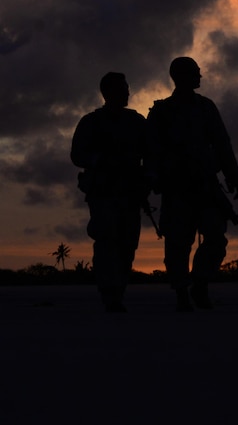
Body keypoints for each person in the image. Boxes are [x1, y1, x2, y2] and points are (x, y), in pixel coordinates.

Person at [146, 57, 238, 312]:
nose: (200, 76)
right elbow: (152, 151)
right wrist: (153, 178)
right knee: (178, 242)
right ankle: (181, 291)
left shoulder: (206, 107)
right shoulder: (162, 112)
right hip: (176, 188)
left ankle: (200, 284)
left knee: (215, 237)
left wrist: (233, 175)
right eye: (195, 73)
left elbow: (222, 143)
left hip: (205, 186)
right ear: (181, 76)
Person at [71, 72, 147, 313]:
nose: (127, 93)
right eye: (122, 89)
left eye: (127, 89)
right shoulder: (91, 123)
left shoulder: (136, 122)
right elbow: (77, 155)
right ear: (108, 93)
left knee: (127, 244)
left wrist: (147, 177)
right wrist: (102, 161)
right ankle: (110, 294)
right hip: (103, 192)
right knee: (107, 242)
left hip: (130, 192)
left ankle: (118, 290)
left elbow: (152, 152)